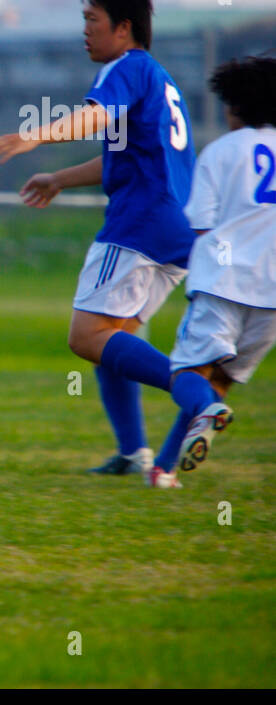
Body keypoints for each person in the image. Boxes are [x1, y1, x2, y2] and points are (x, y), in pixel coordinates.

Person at [0, 0, 196, 477]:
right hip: (176, 229)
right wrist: (59, 178)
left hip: (138, 225)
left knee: (86, 337)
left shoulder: (125, 69)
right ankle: (133, 452)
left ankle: (197, 390)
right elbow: (124, 157)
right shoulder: (160, 79)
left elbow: (96, 117)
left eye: (91, 21)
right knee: (115, 342)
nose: (85, 32)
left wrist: (35, 136)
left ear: (123, 28)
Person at [145, 55, 276, 487]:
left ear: (234, 106)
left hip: (224, 284)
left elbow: (200, 223)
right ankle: (164, 469)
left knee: (188, 374)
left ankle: (205, 411)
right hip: (272, 297)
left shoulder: (221, 151)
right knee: (219, 380)